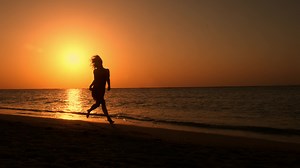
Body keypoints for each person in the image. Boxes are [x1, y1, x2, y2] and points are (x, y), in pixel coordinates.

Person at [87, 55, 114, 124]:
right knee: (102, 103)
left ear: (101, 62)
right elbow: (95, 80)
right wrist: (91, 85)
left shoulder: (106, 70)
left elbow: (108, 78)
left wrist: (109, 86)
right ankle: (109, 119)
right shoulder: (95, 71)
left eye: (99, 62)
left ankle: (89, 110)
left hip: (102, 90)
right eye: (97, 63)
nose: (98, 64)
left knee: (98, 104)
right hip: (96, 89)